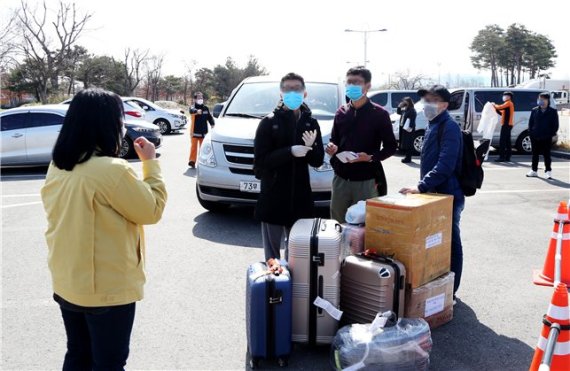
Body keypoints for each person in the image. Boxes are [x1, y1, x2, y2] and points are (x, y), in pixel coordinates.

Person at [41, 88, 167, 370]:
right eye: (120, 120)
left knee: (77, 355)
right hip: (106, 289)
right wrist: (151, 163)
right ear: (107, 125)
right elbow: (152, 210)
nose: (123, 126)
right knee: (109, 363)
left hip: (68, 281)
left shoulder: (59, 166)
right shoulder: (111, 170)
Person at [399, 85, 464, 300]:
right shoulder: (433, 124)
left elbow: (445, 165)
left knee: (451, 243)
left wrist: (421, 186)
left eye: (432, 100)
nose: (427, 104)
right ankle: (440, 286)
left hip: (448, 195)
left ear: (444, 105)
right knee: (437, 242)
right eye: (425, 99)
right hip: (434, 195)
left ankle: (451, 292)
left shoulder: (449, 127)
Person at [254, 72, 324, 261]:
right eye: (287, 89)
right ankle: (274, 288)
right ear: (280, 93)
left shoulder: (311, 122)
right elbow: (259, 164)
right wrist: (289, 151)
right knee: (273, 259)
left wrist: (310, 149)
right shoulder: (269, 122)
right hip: (274, 198)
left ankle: (296, 290)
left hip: (301, 199)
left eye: (296, 89)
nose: (292, 93)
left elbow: (318, 160)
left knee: (299, 256)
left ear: (305, 94)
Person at [326, 66, 397, 223]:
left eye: (356, 82)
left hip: (366, 181)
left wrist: (370, 157)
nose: (351, 86)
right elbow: (334, 140)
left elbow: (391, 147)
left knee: (367, 226)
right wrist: (332, 147)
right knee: (337, 223)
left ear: (368, 86)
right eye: (349, 82)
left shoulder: (379, 114)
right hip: (341, 179)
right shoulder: (341, 112)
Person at [527, 92, 559, 179]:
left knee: (547, 155)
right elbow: (530, 123)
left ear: (547, 100)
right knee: (535, 154)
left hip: (546, 137)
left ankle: (548, 171)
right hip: (535, 136)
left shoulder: (552, 112)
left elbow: (555, 125)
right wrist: (531, 133)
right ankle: (534, 170)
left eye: (543, 99)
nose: (541, 101)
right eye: (539, 99)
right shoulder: (534, 110)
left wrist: (550, 134)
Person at [188, 92, 215, 168]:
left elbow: (209, 117)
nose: (201, 99)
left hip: (204, 133)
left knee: (203, 149)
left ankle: (202, 162)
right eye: (199, 98)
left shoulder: (205, 108)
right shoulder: (193, 107)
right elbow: (191, 111)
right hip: (194, 133)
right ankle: (192, 161)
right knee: (193, 147)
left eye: (201, 98)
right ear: (195, 99)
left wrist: (212, 124)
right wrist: (196, 111)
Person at [492, 91, 515, 162]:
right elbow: (501, 112)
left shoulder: (508, 103)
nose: (504, 96)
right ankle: (508, 157)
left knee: (502, 141)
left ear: (509, 97)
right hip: (508, 125)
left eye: (506, 95)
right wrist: (495, 108)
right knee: (507, 141)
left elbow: (500, 107)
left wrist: (494, 105)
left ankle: (502, 157)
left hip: (506, 125)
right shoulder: (508, 104)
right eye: (504, 95)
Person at [397, 97, 417, 163]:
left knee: (409, 143)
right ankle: (407, 157)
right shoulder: (406, 109)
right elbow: (399, 112)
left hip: (409, 129)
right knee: (406, 143)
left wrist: (410, 128)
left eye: (405, 101)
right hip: (405, 128)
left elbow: (412, 119)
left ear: (408, 102)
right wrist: (399, 106)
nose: (404, 102)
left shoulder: (412, 110)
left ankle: (408, 158)